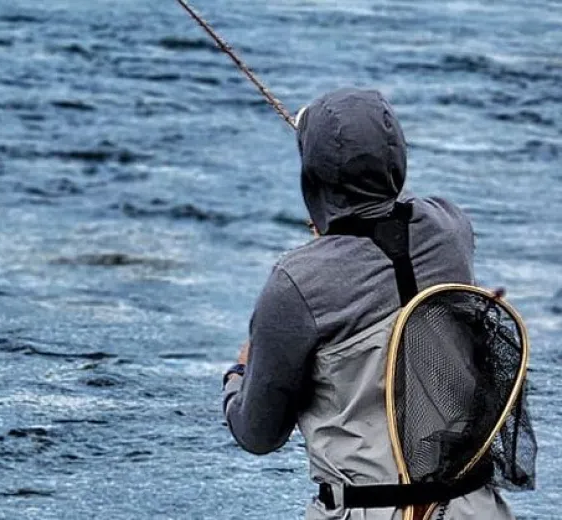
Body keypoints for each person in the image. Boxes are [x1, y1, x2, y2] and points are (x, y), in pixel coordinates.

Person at [221, 87, 518, 520]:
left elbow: (259, 434)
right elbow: (400, 218)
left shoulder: (295, 284)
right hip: (475, 509)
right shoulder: (451, 230)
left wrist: (237, 376)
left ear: (313, 177)